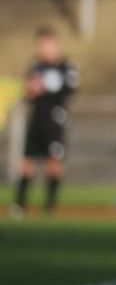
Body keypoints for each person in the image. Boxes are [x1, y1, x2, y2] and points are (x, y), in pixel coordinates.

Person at [11, 27, 79, 217]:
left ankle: (49, 206)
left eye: (45, 44)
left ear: (54, 44)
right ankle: (19, 205)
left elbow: (70, 88)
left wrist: (45, 90)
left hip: (54, 119)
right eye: (40, 44)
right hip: (36, 119)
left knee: (53, 162)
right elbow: (28, 91)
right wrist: (30, 90)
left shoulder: (66, 65)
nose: (42, 48)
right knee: (26, 162)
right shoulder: (36, 66)